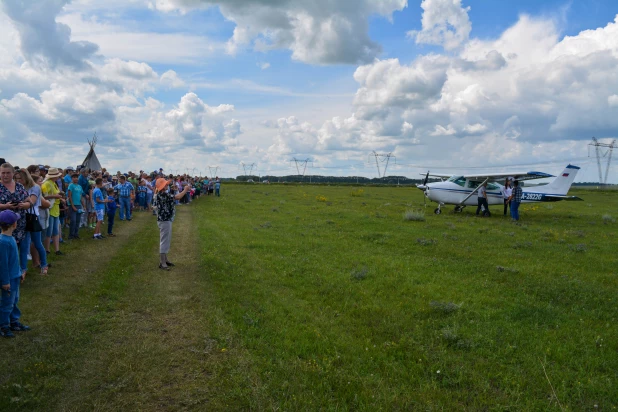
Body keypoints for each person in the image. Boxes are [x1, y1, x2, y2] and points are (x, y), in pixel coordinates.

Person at [0, 210, 31, 338]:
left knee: (14, 300)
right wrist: (5, 281)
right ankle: (4, 325)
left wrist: (20, 272)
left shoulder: (11, 238)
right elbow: (3, 265)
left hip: (15, 276)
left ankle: (14, 322)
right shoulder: (3, 242)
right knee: (7, 303)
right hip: (9, 279)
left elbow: (14, 259)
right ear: (13, 224)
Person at [14, 169, 49, 276]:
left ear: (26, 177)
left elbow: (32, 202)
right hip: (22, 219)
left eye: (20, 178)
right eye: (16, 178)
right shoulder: (17, 187)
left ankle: (44, 265)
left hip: (32, 218)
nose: (18, 180)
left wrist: (20, 202)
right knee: (24, 246)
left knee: (37, 243)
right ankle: (23, 269)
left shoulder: (35, 188)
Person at [0, 163, 32, 275]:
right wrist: (5, 206)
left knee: (20, 248)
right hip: (3, 225)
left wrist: (25, 205)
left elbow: (29, 201)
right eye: (3, 173)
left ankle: (21, 271)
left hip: (19, 223)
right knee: (4, 249)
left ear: (13, 173)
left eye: (8, 172)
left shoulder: (19, 186)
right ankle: (6, 273)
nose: (5, 175)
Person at [153, 178, 191, 270]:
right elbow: (177, 197)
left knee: (166, 240)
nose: (167, 185)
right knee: (164, 241)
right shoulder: (163, 194)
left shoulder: (161, 194)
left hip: (165, 219)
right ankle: (162, 263)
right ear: (162, 186)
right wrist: (185, 190)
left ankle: (165, 260)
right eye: (166, 184)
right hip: (164, 220)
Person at [41, 168, 64, 255]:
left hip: (55, 208)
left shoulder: (54, 183)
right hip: (50, 209)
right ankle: (47, 250)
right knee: (49, 231)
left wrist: (60, 198)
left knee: (56, 230)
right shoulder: (46, 183)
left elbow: (54, 195)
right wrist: (56, 196)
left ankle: (57, 250)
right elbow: (44, 196)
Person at [67, 173, 84, 240]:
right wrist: (72, 205)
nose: (75, 178)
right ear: (72, 178)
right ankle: (71, 235)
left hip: (79, 205)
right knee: (73, 220)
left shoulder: (80, 187)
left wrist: (83, 205)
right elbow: (69, 196)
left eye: (76, 177)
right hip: (72, 205)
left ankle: (76, 234)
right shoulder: (71, 186)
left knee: (77, 220)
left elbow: (80, 196)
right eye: (74, 177)